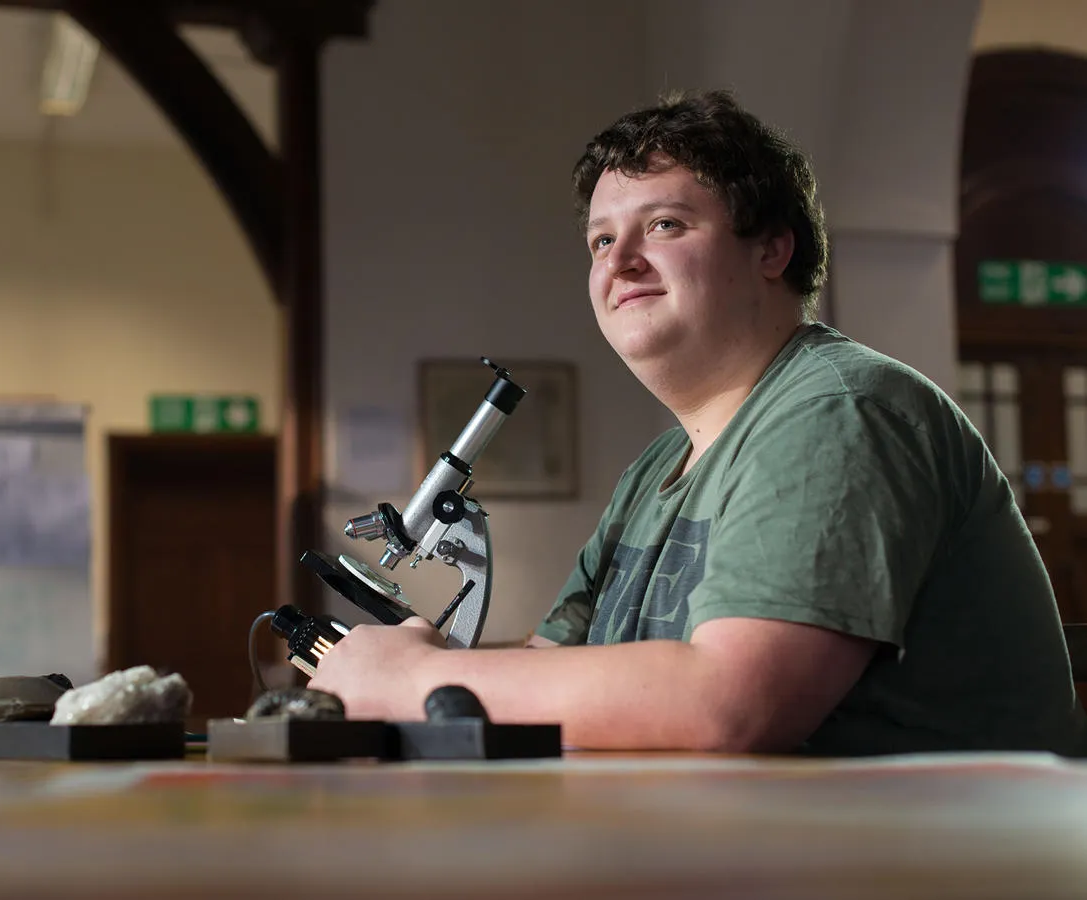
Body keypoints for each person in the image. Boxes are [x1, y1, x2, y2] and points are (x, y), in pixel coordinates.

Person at [307, 90, 1087, 756]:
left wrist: (409, 680)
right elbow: (558, 668)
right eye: (602, 240)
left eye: (665, 225)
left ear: (772, 250)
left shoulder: (840, 411)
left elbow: (730, 704)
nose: (618, 263)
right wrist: (408, 659)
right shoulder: (656, 470)